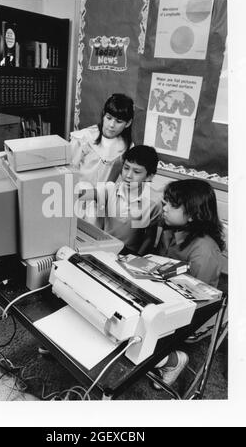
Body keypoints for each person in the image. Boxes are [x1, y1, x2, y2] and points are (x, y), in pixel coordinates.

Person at [146, 178, 225, 388]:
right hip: (168, 293)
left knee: (139, 326)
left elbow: (198, 303)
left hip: (193, 312)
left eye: (172, 205)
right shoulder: (171, 228)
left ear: (192, 215)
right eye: (165, 202)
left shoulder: (205, 252)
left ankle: (173, 361)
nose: (164, 207)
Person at [80, 145, 162, 255]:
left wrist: (137, 260)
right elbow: (80, 195)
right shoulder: (110, 189)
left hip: (128, 254)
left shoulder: (154, 202)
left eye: (136, 172)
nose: (128, 175)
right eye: (126, 168)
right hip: (104, 248)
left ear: (149, 176)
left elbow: (149, 238)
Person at [70, 93, 134, 186]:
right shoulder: (83, 138)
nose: (111, 125)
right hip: (78, 195)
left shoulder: (127, 146)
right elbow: (68, 173)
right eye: (108, 118)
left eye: (119, 121)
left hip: (105, 197)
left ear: (128, 123)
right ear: (103, 115)